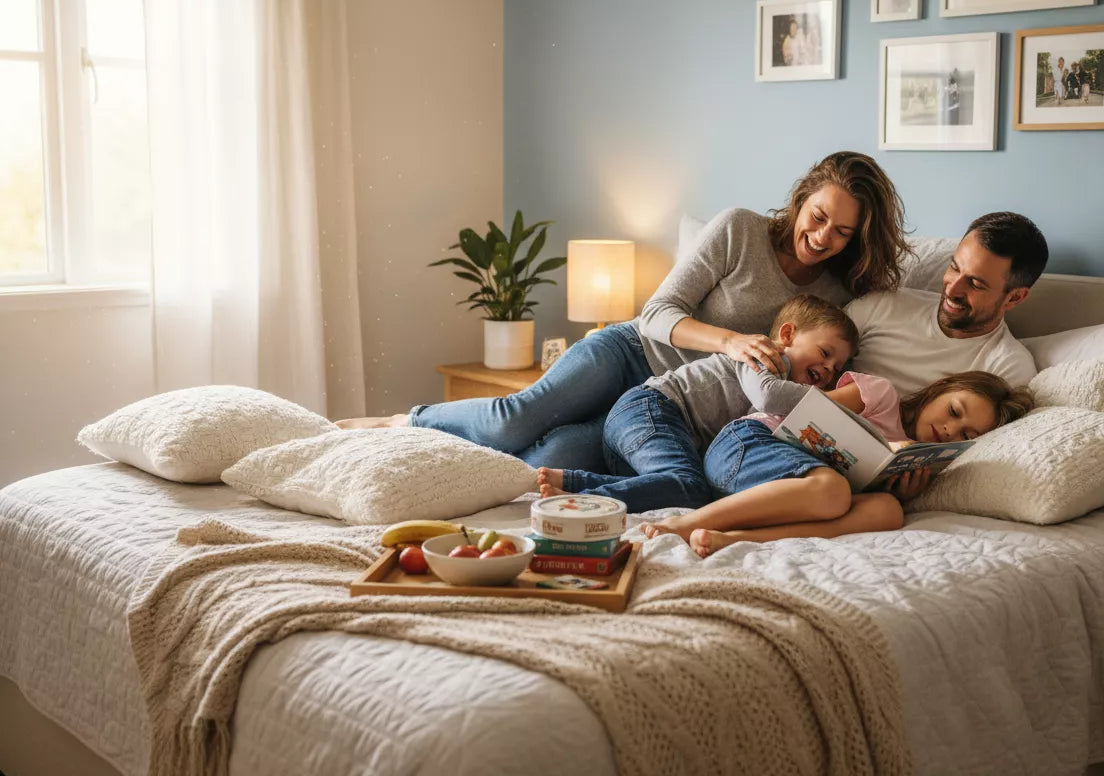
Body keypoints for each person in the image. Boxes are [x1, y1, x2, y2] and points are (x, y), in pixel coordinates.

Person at [337, 152, 911, 472]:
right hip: (632, 353)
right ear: (800, 200)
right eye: (817, 218)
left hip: (671, 408)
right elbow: (659, 311)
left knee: (552, 457)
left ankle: (443, 479)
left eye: (841, 232)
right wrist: (730, 342)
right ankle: (404, 424)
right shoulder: (740, 230)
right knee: (518, 418)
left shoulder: (838, 296)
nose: (822, 238)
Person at [641, 370, 1034, 557]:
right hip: (748, 446)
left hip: (789, 494)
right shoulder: (881, 395)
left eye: (965, 435)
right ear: (941, 389)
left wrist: (901, 485)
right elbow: (804, 414)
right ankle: (684, 523)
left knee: (888, 510)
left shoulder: (922, 458)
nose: (950, 429)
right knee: (832, 490)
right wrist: (881, 441)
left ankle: (736, 539)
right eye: (954, 410)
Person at [535, 295, 856, 511]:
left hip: (644, 439)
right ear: (787, 335)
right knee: (690, 488)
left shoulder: (788, 384)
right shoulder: (762, 354)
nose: (829, 370)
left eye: (838, 368)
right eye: (825, 353)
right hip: (651, 409)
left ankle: (574, 481)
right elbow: (768, 396)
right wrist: (831, 401)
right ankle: (581, 495)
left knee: (676, 490)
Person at [844, 211, 1047, 398]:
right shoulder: (882, 305)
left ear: (1015, 298)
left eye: (975, 284)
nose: (952, 290)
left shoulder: (1007, 369)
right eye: (954, 268)